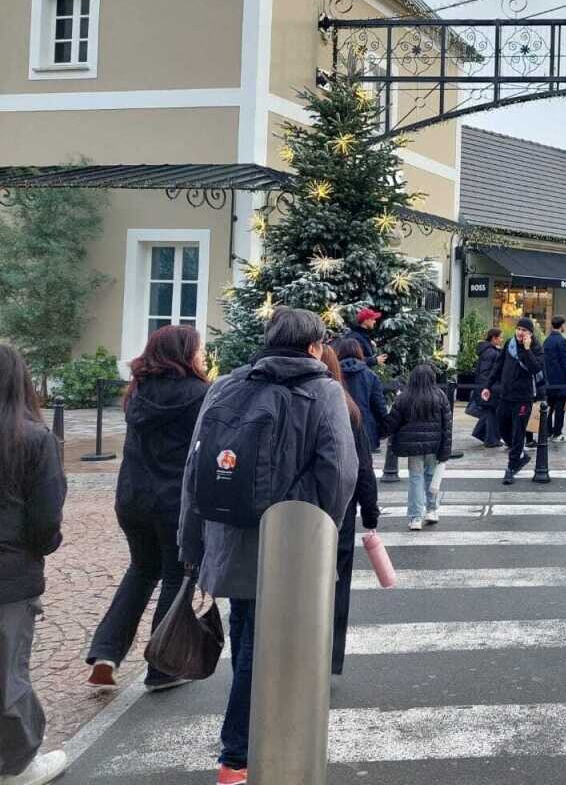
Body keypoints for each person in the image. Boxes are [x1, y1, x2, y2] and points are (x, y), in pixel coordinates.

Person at [178, 307, 357, 785]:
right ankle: (237, 756)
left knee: (248, 635)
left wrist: (190, 543)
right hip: (288, 544)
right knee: (261, 648)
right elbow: (340, 472)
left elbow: (195, 469)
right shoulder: (323, 392)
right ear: (314, 346)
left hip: (228, 538)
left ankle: (249, 742)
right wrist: (319, 533)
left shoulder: (227, 386)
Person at [85, 325, 210, 694]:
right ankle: (162, 666)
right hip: (174, 503)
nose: (202, 355)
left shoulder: (138, 391)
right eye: (198, 349)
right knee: (176, 576)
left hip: (133, 499)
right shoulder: (200, 394)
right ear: (185, 353)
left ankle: (106, 652)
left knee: (141, 570)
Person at [0, 345, 68, 785]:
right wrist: (44, 546)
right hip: (10, 574)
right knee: (8, 674)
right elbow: (45, 521)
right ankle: (19, 765)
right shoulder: (32, 438)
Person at [317, 345, 378, 676]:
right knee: (336, 586)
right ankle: (329, 658)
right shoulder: (346, 406)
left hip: (298, 511)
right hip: (339, 513)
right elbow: (361, 466)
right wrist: (370, 513)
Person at [385, 364, 453, 528]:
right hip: (434, 445)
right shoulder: (440, 396)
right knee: (431, 476)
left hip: (412, 446)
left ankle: (416, 517)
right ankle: (432, 510)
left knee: (416, 478)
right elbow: (447, 426)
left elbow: (392, 422)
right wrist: (446, 450)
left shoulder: (405, 397)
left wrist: (383, 434)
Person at [479, 317, 544, 485]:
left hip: (523, 398)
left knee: (518, 433)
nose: (520, 333)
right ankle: (520, 454)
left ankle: (511, 467)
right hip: (505, 395)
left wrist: (527, 349)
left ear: (530, 333)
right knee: (501, 428)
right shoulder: (510, 344)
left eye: (525, 330)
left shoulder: (536, 347)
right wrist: (487, 386)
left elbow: (535, 368)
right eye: (519, 329)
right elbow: (498, 366)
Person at [335, 338, 389, 452]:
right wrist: (385, 427)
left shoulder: (334, 373)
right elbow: (379, 406)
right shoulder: (370, 375)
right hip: (365, 430)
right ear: (359, 352)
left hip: (339, 427)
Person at [467, 328, 503, 447]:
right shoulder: (490, 353)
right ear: (494, 338)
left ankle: (485, 436)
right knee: (491, 411)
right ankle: (491, 439)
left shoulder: (489, 351)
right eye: (500, 337)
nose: (501, 339)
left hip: (488, 387)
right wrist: (487, 388)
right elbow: (485, 372)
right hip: (489, 388)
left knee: (490, 412)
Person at [542, 316, 566, 443]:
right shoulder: (562, 341)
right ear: (562, 326)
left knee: (549, 407)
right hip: (560, 380)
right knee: (560, 408)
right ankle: (557, 434)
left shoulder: (547, 341)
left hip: (549, 380)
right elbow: (565, 362)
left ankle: (548, 432)